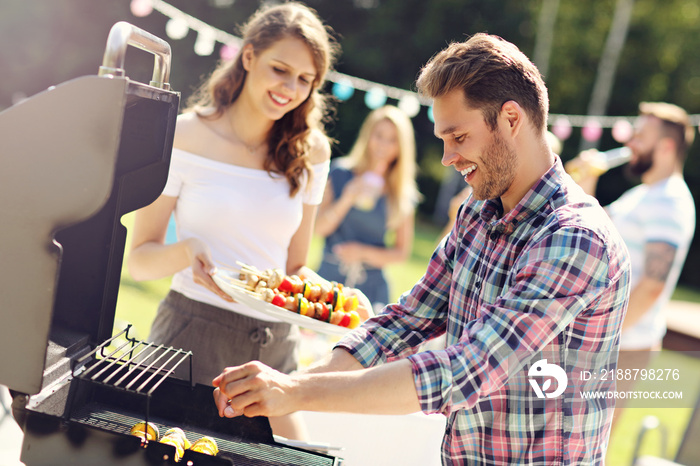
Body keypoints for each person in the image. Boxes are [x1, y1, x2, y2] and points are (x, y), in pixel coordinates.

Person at [211, 33, 631, 465]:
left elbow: (466, 370)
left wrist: (295, 393)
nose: (447, 157)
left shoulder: (576, 238)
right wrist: (290, 384)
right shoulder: (478, 213)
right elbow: (408, 321)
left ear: (510, 119)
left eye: (459, 137)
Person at [127, 2, 339, 440]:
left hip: (273, 350)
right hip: (189, 339)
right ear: (248, 57)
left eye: (305, 80)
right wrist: (187, 252)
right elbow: (140, 260)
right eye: (280, 69)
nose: (290, 89)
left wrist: (331, 303)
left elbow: (296, 266)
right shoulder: (186, 135)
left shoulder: (312, 151)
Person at [565, 102, 696, 428]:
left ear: (666, 146)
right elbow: (590, 232)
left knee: (584, 445)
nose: (631, 143)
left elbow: (653, 284)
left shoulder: (670, 202)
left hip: (625, 347)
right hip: (609, 342)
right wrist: (584, 179)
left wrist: (600, 339)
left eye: (640, 136)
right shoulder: (642, 196)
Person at [314, 105, 420, 310]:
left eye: (392, 140)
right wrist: (347, 197)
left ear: (401, 147)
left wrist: (361, 252)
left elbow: (401, 252)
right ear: (368, 135)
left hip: (372, 288)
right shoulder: (340, 173)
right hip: (329, 279)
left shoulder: (402, 192)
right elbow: (319, 229)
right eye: (379, 135)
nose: (383, 145)